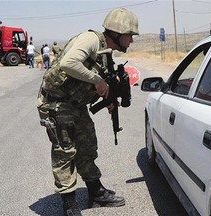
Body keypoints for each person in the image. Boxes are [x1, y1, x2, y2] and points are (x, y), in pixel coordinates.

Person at [37, 8, 139, 216]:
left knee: (87, 146)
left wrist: (106, 96)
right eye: (130, 35)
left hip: (75, 104)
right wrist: (98, 81)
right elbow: (68, 63)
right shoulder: (91, 40)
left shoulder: (105, 54)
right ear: (118, 34)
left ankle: (96, 192)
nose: (131, 40)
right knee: (65, 152)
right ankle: (69, 204)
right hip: (56, 103)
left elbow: (93, 82)